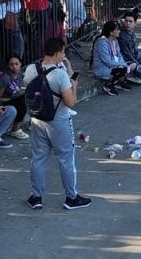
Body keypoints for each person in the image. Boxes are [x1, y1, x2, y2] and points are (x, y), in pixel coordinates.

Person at [23, 38, 91, 211]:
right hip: (59, 120)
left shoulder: (31, 69)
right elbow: (71, 102)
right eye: (62, 52)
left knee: (38, 158)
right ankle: (71, 197)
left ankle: (36, 197)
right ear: (57, 53)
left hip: (37, 119)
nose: (64, 55)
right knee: (66, 159)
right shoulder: (59, 75)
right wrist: (73, 85)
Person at [92, 20, 134, 96]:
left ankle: (118, 82)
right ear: (111, 32)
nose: (119, 31)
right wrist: (123, 65)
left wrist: (123, 64)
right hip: (102, 68)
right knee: (124, 69)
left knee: (132, 65)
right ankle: (108, 85)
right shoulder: (102, 43)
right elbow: (107, 61)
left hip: (114, 65)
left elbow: (119, 55)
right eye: (117, 30)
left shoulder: (115, 41)